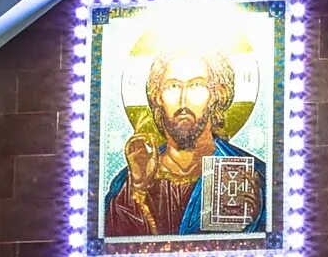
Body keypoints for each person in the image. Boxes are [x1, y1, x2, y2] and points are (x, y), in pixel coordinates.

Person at [102, 46, 266, 239]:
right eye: (173, 86)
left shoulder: (251, 175)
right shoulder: (131, 180)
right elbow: (117, 245)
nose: (183, 101)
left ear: (216, 95)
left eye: (197, 85)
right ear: (157, 97)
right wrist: (137, 190)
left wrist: (253, 224)